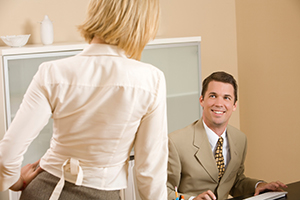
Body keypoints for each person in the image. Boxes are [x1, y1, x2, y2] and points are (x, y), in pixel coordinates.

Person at [0, 0, 168, 199]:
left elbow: (6, 157)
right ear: (144, 24)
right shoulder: (151, 80)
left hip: (42, 190)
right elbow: (149, 171)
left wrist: (16, 181)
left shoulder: (52, 72)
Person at [167, 71, 287, 200]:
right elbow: (161, 191)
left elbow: (235, 181)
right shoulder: (175, 142)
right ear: (202, 100)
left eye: (226, 98)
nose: (219, 103)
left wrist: (259, 185)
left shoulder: (240, 139)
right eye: (213, 96)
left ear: (234, 105)